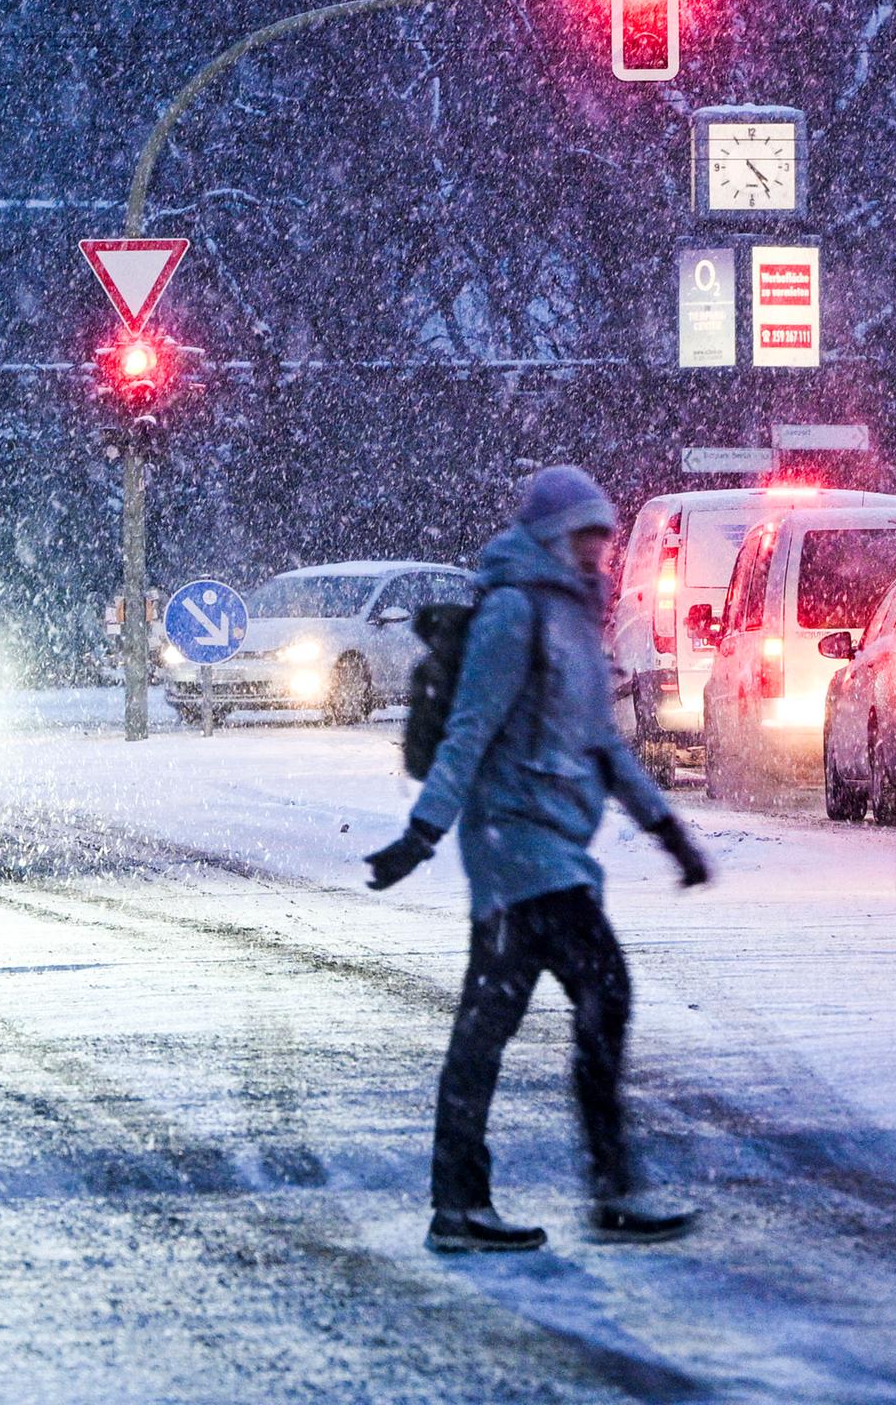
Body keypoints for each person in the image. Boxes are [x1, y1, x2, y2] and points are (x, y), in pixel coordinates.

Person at [365, 465, 711, 1254]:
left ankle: (466, 1204)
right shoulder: (514, 612)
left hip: (553, 848)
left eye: (602, 534)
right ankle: (605, 1191)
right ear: (550, 535)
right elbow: (470, 731)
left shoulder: (576, 617)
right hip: (511, 845)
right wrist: (422, 835)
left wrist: (668, 832)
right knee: (600, 991)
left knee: (491, 1024)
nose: (596, 548)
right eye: (582, 534)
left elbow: (602, 744)